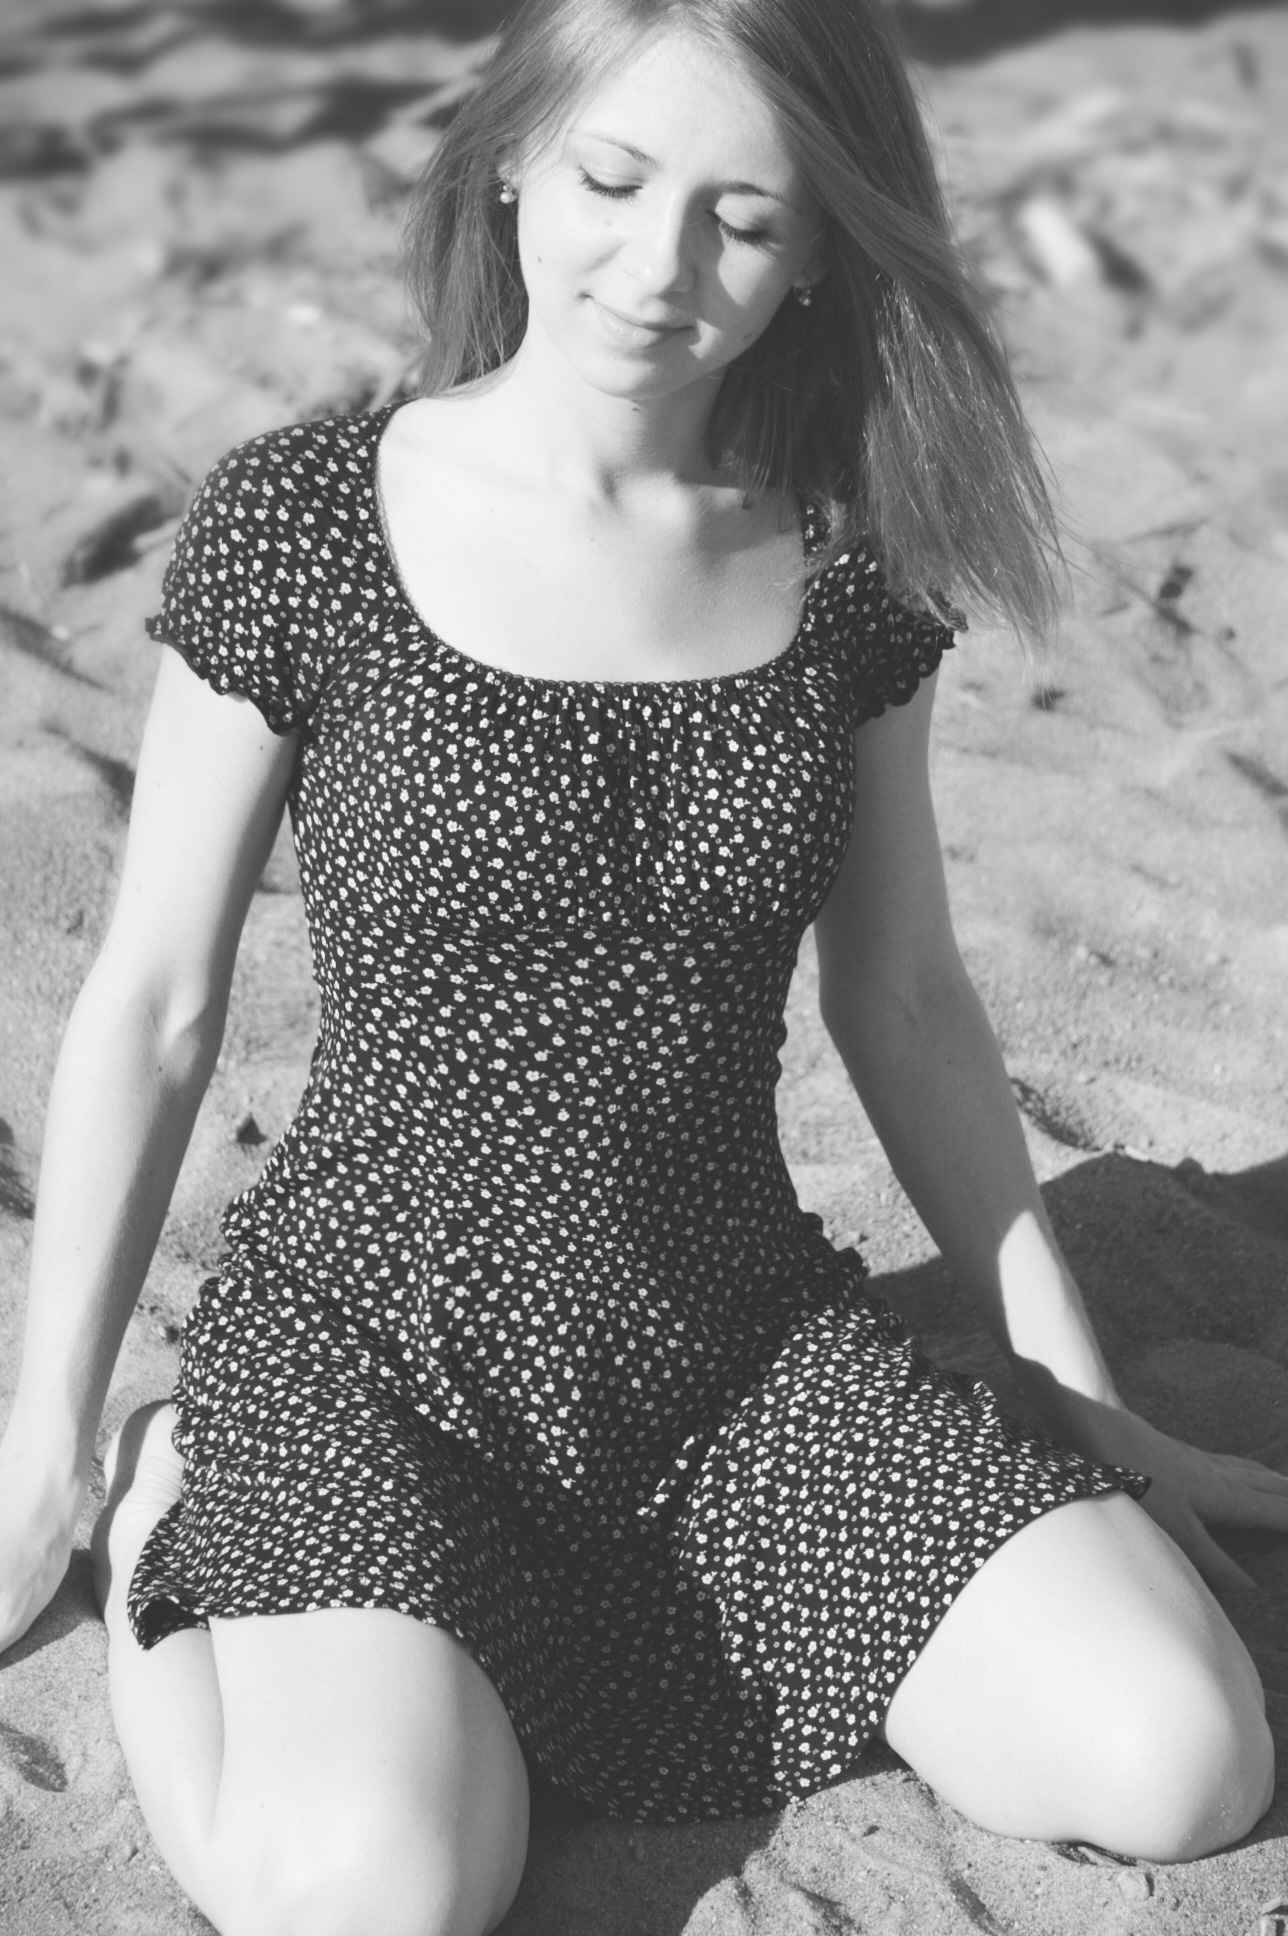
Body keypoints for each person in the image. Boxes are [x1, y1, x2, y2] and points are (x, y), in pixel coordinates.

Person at [1, 1, 1284, 1930]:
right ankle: (172, 1496)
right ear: (514, 158)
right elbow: (158, 1005)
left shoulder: (845, 566)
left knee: (1182, 1760)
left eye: (742, 219)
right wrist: (41, 1455)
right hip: (382, 1353)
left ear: (824, 249)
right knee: (378, 1897)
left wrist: (1076, 1390)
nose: (656, 265)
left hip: (733, 1357)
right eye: (611, 179)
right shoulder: (311, 522)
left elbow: (906, 999)